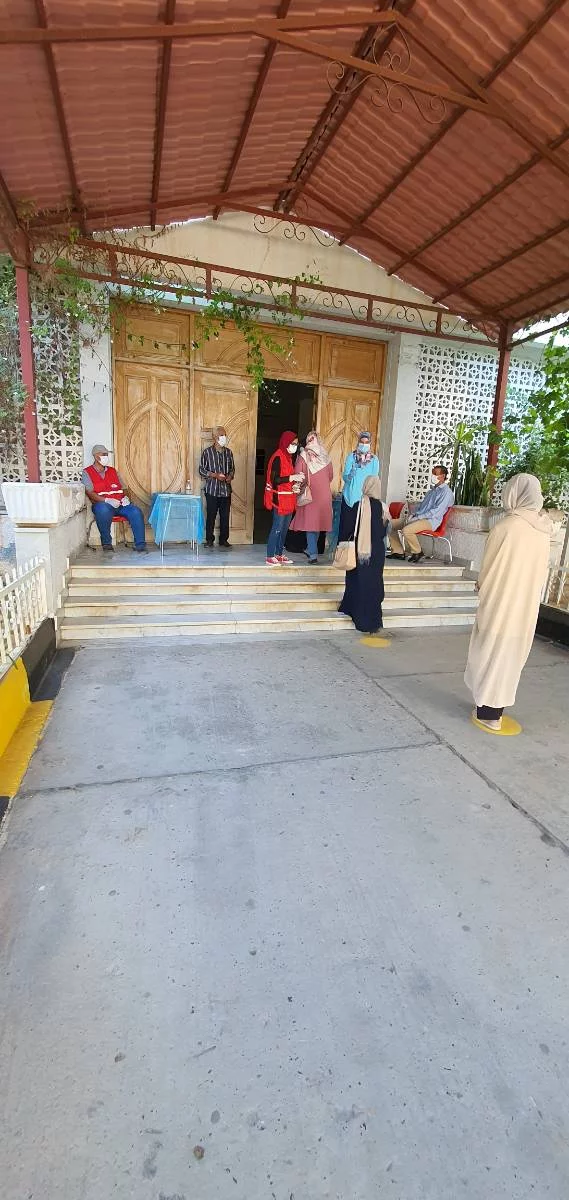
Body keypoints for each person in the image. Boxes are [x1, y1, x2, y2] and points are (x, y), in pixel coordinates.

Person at [464, 473, 552, 732]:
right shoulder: (543, 530)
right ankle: (495, 710)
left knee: (490, 652)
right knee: (510, 656)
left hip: (501, 603)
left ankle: (487, 712)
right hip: (525, 606)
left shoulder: (506, 527)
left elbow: (489, 567)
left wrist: (481, 586)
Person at [338, 475, 386, 634]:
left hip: (360, 551)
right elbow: (384, 531)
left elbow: (348, 528)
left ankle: (355, 612)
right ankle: (373, 621)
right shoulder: (383, 507)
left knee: (357, 581)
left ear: (365, 486)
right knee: (373, 583)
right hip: (377, 552)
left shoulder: (359, 505)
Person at [82, 445, 147, 553]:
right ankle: (107, 544)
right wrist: (106, 500)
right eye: (104, 454)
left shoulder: (113, 471)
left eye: (107, 454)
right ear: (96, 456)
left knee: (136, 511)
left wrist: (126, 498)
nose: (106, 457)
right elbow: (89, 492)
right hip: (102, 504)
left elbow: (124, 488)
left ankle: (140, 545)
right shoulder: (87, 472)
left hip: (120, 504)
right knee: (103, 510)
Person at [388, 464, 454, 563]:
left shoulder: (446, 492)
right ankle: (398, 552)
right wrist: (412, 514)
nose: (432, 476)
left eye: (435, 473)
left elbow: (436, 511)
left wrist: (418, 517)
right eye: (432, 473)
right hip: (419, 518)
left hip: (430, 521)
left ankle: (418, 552)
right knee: (388, 524)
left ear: (443, 476)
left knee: (406, 530)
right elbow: (421, 507)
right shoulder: (431, 492)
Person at [289, 431, 334, 563]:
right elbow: (331, 476)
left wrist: (298, 487)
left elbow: (299, 475)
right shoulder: (325, 455)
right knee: (317, 523)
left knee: (310, 524)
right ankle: (310, 549)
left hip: (311, 494)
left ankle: (313, 554)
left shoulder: (304, 455)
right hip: (324, 494)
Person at [264, 431, 303, 566]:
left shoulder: (289, 458)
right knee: (277, 527)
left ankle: (279, 554)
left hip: (289, 499)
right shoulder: (277, 457)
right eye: (293, 443)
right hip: (279, 499)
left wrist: (294, 486)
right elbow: (274, 480)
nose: (294, 446)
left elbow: (287, 481)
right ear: (286, 442)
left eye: (296, 444)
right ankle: (270, 555)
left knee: (284, 529)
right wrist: (292, 478)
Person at [338, 432, 380, 544]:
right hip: (350, 497)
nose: (364, 444)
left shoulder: (374, 460)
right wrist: (350, 475)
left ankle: (357, 553)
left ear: (370, 443)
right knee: (346, 528)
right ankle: (343, 552)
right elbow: (345, 477)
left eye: (366, 442)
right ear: (358, 442)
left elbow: (373, 481)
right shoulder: (351, 457)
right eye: (362, 442)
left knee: (361, 530)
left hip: (364, 499)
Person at [199, 426, 235, 548]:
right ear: (215, 437)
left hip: (226, 490)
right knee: (211, 516)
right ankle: (209, 540)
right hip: (212, 490)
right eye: (222, 435)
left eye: (225, 435)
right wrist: (214, 475)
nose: (224, 437)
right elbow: (201, 470)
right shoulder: (207, 452)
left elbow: (232, 469)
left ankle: (224, 540)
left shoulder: (229, 453)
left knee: (225, 516)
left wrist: (230, 476)